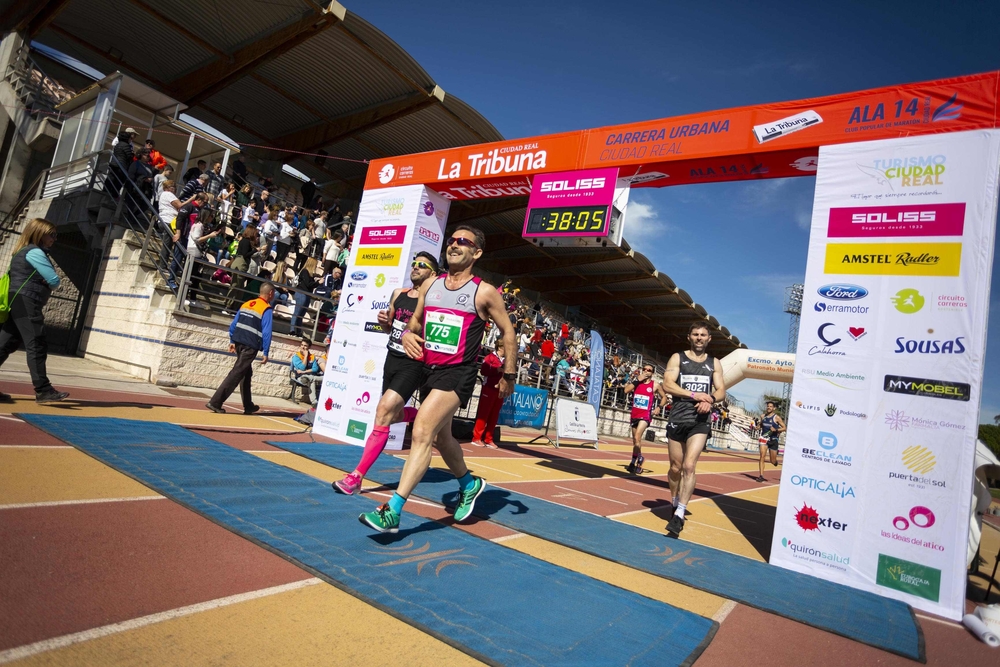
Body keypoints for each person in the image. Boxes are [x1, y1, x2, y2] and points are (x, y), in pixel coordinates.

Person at [359, 227, 516, 533]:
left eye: (464, 242)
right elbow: (414, 323)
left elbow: (507, 331)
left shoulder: (483, 291)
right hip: (430, 370)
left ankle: (393, 510)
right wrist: (407, 335)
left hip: (459, 372)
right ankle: (469, 484)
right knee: (443, 439)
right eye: (452, 241)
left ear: (477, 253)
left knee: (422, 431)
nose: (455, 245)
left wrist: (509, 374)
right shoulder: (431, 285)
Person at [333, 252, 439, 495]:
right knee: (392, 415)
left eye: (422, 265)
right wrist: (384, 322)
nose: (415, 267)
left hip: (414, 363)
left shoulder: (433, 301)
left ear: (432, 274)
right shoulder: (398, 294)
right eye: (414, 263)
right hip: (391, 359)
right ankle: (416, 415)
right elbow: (388, 326)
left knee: (382, 413)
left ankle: (356, 477)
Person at [660, 323, 726, 537]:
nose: (699, 338)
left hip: (700, 419)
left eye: (703, 335)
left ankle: (679, 514)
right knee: (675, 467)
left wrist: (711, 400)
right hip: (678, 417)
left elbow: (721, 390)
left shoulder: (713, 363)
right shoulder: (677, 358)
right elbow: (668, 385)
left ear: (709, 339)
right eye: (696, 334)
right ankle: (674, 501)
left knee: (689, 466)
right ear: (689, 337)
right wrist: (694, 395)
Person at [0, 219, 69, 404]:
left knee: (5, 344)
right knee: (36, 343)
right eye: (51, 234)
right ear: (39, 233)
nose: (54, 239)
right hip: (27, 301)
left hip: (17, 301)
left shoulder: (20, 252)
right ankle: (43, 390)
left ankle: (43, 389)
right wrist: (48, 282)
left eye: (56, 235)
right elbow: (54, 281)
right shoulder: (35, 252)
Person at [206, 283, 274, 414]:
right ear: (270, 293)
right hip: (250, 345)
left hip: (238, 341)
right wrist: (266, 352)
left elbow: (234, 324)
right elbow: (267, 332)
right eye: (274, 293)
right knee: (237, 373)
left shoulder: (247, 304)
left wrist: (232, 340)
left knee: (246, 373)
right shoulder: (266, 309)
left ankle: (248, 405)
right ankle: (215, 402)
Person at [624, 363, 667, 475]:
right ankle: (639, 457)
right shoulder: (636, 382)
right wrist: (637, 380)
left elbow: (664, 397)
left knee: (638, 436)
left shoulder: (655, 385)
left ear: (652, 373)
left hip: (645, 415)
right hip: (635, 414)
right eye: (645, 369)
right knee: (635, 441)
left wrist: (659, 407)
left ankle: (633, 463)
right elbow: (626, 390)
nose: (647, 371)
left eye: (649, 370)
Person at [471, 339, 506, 449]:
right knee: (484, 414)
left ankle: (488, 439)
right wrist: (497, 370)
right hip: (489, 388)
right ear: (500, 347)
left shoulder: (507, 360)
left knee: (494, 415)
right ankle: (476, 438)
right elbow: (483, 371)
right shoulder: (489, 358)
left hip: (500, 391)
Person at [223, 225, 259, 314]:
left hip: (240, 263)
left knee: (240, 288)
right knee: (235, 285)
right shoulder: (246, 241)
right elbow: (245, 254)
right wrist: (256, 250)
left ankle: (234, 308)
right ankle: (228, 306)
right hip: (240, 264)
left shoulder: (244, 241)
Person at [756, 401, 785, 483]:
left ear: (774, 408)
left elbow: (784, 428)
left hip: (773, 440)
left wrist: (776, 430)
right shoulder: (762, 416)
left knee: (772, 461)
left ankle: (775, 462)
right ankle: (761, 476)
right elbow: (761, 425)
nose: (769, 407)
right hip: (764, 438)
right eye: (768, 406)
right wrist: (757, 427)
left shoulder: (777, 418)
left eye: (771, 406)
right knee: (762, 456)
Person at [289, 257, 319, 336]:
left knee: (301, 314)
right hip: (301, 293)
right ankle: (292, 330)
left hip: (307, 295)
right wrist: (318, 282)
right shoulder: (304, 271)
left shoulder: (310, 275)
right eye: (315, 265)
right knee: (297, 312)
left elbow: (310, 285)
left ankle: (298, 331)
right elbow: (308, 284)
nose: (316, 267)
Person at [290, 337, 322, 404]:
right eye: (302, 345)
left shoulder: (312, 356)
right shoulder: (296, 356)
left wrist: (304, 372)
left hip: (309, 376)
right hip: (300, 377)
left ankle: (314, 402)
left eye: (305, 346)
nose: (303, 347)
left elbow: (315, 369)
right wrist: (306, 356)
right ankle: (314, 402)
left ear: (309, 347)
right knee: (309, 380)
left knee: (311, 379)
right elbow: (302, 368)